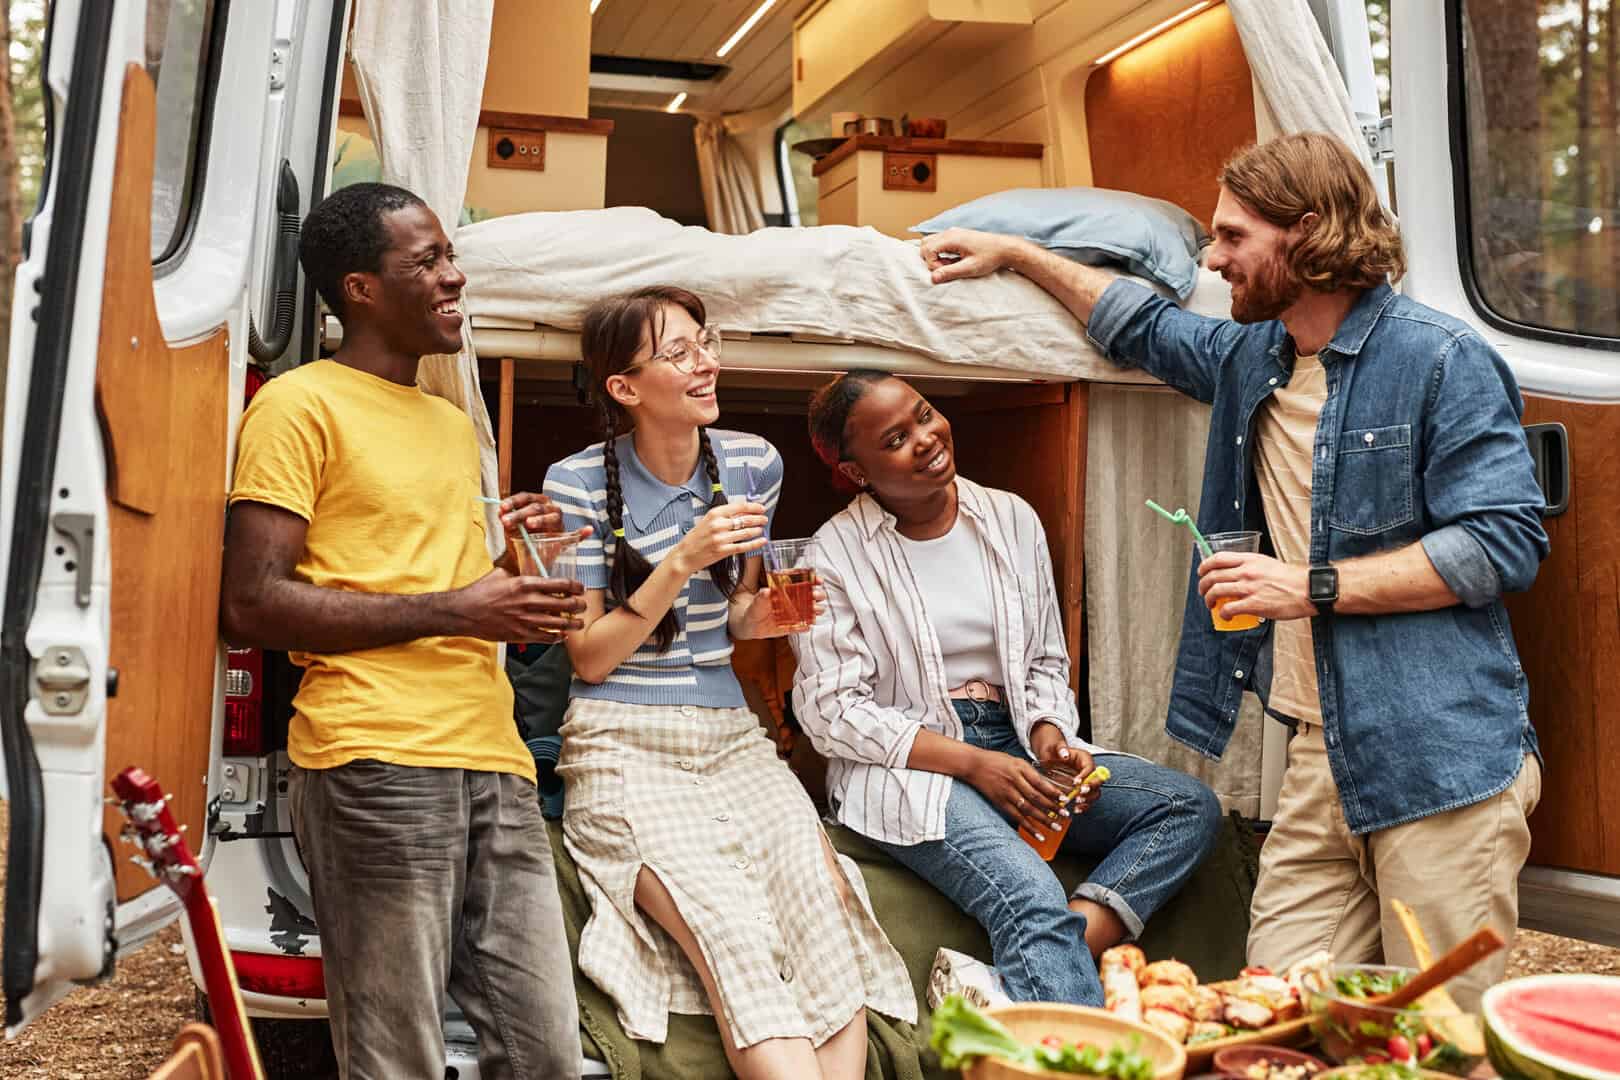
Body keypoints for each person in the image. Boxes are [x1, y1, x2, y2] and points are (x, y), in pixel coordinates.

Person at [919, 132, 1548, 1009]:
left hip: (1436, 752)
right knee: (1269, 1007)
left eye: (1232, 238)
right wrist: (1022, 253)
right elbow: (1138, 325)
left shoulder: (1439, 359)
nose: (1212, 262)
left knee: (1440, 1032)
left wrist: (1309, 586)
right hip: (1319, 752)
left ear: (1309, 232)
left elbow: (1501, 543)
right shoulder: (1256, 358)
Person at [220, 182, 587, 1079]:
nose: (455, 277)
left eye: (450, 255)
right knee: (397, 1057)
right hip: (374, 757)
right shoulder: (299, 405)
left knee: (544, 1053)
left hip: (494, 759)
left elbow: (441, 590)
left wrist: (513, 572)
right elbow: (252, 602)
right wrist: (459, 609)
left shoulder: (452, 424)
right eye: (427, 262)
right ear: (361, 289)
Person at [541, 287, 914, 1080]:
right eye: (679, 353)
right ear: (625, 388)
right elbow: (591, 658)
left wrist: (771, 616)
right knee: (731, 931)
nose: (706, 362)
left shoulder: (752, 462)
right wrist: (680, 557)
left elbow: (738, 617)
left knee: (822, 907)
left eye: (704, 342)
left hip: (729, 733)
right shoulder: (573, 482)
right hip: (621, 742)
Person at [792, 370, 1223, 1008]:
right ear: (857, 472)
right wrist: (973, 763)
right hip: (912, 763)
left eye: (926, 414)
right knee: (1029, 897)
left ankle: (1039, 962)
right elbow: (831, 712)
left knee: (1187, 808)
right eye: (895, 438)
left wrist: (1049, 737)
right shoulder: (833, 554)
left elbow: (1045, 658)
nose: (927, 438)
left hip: (1015, 736)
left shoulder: (1009, 517)